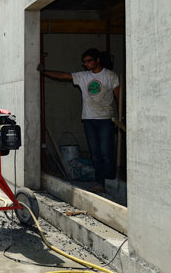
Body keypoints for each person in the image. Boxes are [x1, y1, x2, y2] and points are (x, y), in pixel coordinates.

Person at [38, 48, 120, 192]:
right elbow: (64, 75)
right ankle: (100, 183)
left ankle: (111, 182)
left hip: (105, 119)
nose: (86, 64)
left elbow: (119, 96)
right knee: (95, 153)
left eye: (89, 61)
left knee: (106, 153)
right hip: (89, 119)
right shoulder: (83, 76)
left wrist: (123, 115)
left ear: (97, 60)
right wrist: (45, 71)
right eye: (84, 62)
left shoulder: (110, 76)